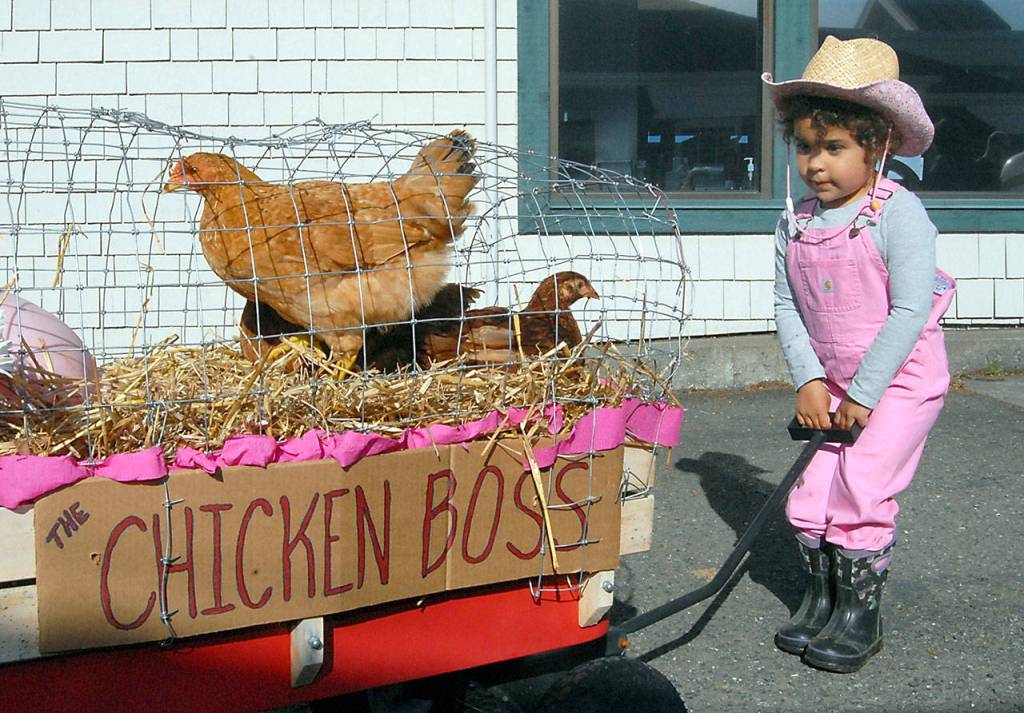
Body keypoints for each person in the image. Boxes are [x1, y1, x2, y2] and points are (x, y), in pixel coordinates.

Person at [761, 36, 956, 673]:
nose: (817, 164)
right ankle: (822, 601)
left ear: (879, 145)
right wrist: (809, 379)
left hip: (899, 381)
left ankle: (859, 620)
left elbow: (908, 312)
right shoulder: (795, 221)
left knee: (862, 490)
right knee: (810, 496)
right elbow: (789, 305)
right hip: (837, 383)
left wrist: (866, 394)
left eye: (835, 147)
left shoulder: (897, 214)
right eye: (805, 147)